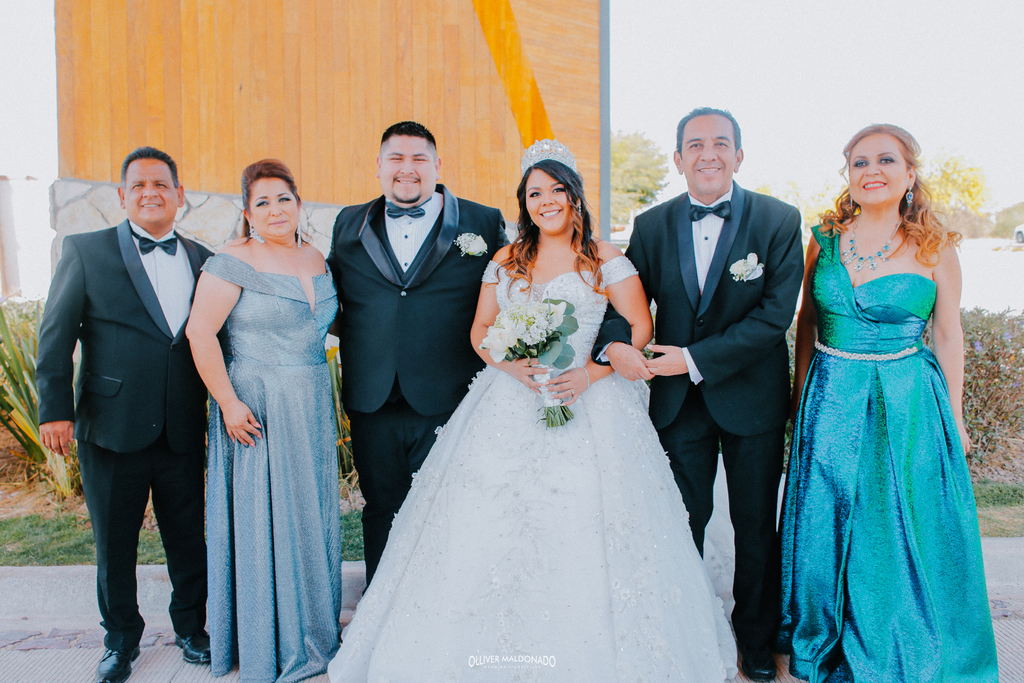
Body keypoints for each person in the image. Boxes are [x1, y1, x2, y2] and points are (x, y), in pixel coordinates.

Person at [328, 140, 737, 682]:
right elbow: (480, 331)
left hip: (590, 403)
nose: (547, 201)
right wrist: (510, 366)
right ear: (524, 202)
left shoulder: (604, 257)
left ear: (574, 196)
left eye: (557, 190)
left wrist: (591, 373)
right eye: (535, 193)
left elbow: (641, 327)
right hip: (508, 401)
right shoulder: (507, 258)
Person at [778, 124, 998, 682]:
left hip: (907, 402)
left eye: (885, 160)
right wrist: (801, 397)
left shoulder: (935, 245)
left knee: (898, 521)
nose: (871, 170)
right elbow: (807, 322)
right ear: (848, 175)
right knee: (828, 518)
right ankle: (822, 638)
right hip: (830, 396)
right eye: (859, 162)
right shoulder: (824, 238)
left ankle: (903, 645)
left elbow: (947, 335)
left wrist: (955, 417)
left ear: (909, 173)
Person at [594, 107, 804, 681]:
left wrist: (691, 359)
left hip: (752, 400)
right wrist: (614, 346)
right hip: (677, 404)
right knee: (680, 519)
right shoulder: (652, 224)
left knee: (755, 527)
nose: (708, 154)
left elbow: (774, 317)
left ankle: (754, 641)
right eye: (695, 145)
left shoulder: (779, 219)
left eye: (720, 143)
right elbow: (624, 301)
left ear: (739, 154)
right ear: (678, 158)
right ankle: (683, 634)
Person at [36, 147, 212, 683]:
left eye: (161, 185)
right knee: (115, 544)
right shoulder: (85, 251)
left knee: (188, 537)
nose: (150, 193)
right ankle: (120, 641)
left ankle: (191, 628)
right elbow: (55, 335)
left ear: (180, 195)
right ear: (122, 196)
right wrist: (54, 411)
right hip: (110, 427)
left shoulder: (204, 259)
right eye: (139, 185)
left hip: (182, 426)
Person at [326, 121, 508, 584]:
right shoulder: (348, 223)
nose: (407, 168)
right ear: (379, 166)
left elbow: (516, 291)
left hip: (451, 395)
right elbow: (329, 298)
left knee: (448, 506)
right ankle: (379, 605)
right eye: (396, 158)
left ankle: (442, 604)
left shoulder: (483, 222)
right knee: (380, 507)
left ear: (437, 165)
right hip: (373, 397)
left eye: (418, 159)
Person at [185, 159, 342, 682]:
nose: (275, 210)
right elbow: (200, 334)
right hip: (257, 407)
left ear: (298, 203)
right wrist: (229, 403)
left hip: (310, 402)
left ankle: (313, 630)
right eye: (263, 202)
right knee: (262, 518)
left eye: (283, 199)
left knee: (310, 514)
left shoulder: (315, 257)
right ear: (248, 213)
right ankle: (267, 640)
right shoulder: (231, 261)